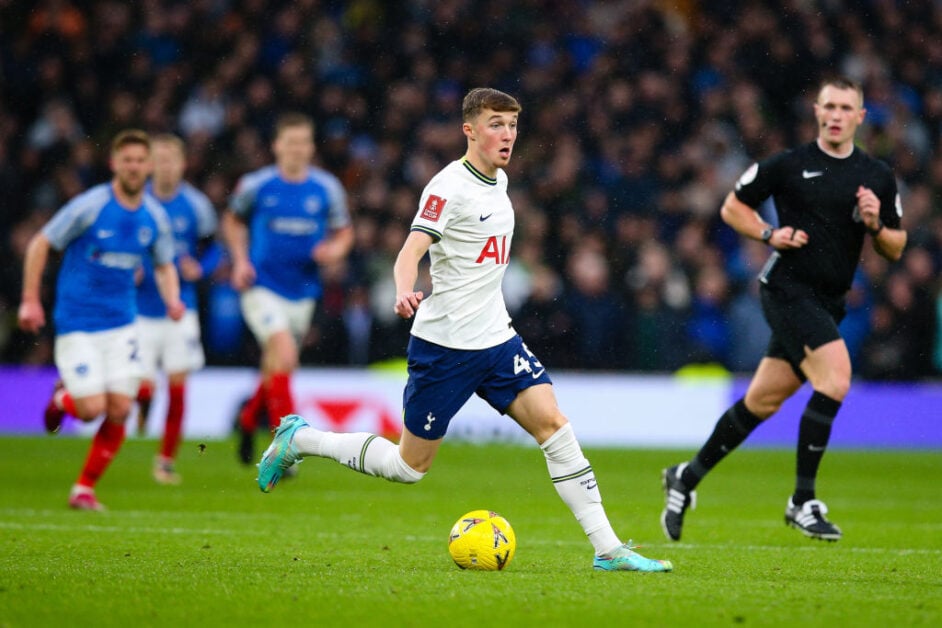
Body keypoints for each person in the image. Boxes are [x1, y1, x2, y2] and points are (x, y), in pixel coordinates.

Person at [257, 88, 673, 572]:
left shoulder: (499, 181)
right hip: (445, 347)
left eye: (513, 125)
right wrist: (403, 289)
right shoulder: (446, 187)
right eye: (497, 124)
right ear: (469, 130)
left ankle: (608, 549)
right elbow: (410, 251)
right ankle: (301, 439)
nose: (508, 135)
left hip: (497, 339)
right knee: (407, 468)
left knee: (555, 427)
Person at [661, 76, 907, 542]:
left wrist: (876, 224)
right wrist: (769, 235)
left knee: (762, 401)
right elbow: (733, 208)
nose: (835, 115)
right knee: (835, 380)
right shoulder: (789, 165)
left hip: (829, 303)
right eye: (828, 106)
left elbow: (896, 246)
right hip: (787, 290)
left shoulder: (876, 176)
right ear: (817, 111)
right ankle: (802, 501)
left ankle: (685, 478)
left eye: (845, 108)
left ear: (860, 116)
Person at [18, 129, 184, 511]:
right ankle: (64, 398)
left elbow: (164, 265)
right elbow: (41, 243)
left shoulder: (154, 217)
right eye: (127, 160)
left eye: (140, 161)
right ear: (114, 164)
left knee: (121, 409)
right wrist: (30, 300)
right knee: (91, 409)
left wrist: (172, 299)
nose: (134, 167)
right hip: (77, 322)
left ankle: (83, 489)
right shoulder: (90, 207)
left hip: (123, 323)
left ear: (150, 166)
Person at [221, 112, 353, 463]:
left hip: (303, 291)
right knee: (286, 354)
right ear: (277, 146)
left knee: (277, 367)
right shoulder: (257, 185)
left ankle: (248, 421)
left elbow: (344, 233)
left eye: (304, 142)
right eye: (290, 142)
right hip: (261, 286)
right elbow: (232, 220)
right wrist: (239, 260)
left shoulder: (326, 189)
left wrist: (333, 251)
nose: (297, 149)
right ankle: (287, 447)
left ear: (311, 147)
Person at [135, 133, 219, 485]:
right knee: (141, 387)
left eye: (172, 158)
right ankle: (142, 407)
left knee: (178, 385)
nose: (166, 165)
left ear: (183, 164)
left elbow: (213, 249)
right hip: (138, 309)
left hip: (179, 309)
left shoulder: (196, 205)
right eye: (160, 158)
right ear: (150, 164)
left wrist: (201, 268)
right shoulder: (136, 202)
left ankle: (165, 461)